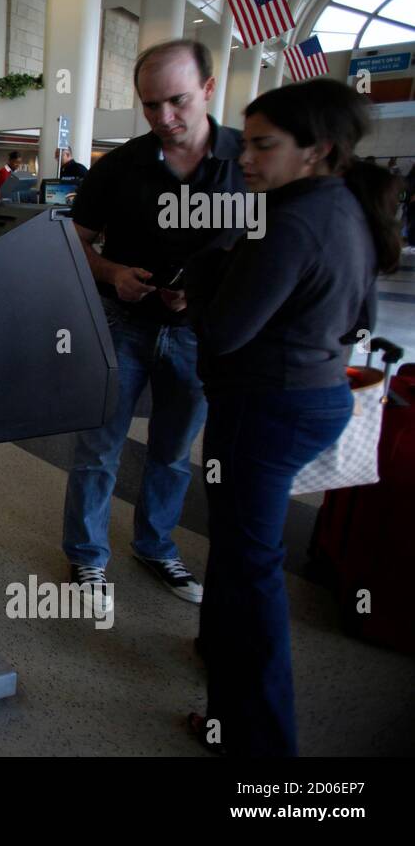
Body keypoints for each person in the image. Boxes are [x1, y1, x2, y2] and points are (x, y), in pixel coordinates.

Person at [185, 79, 399, 757]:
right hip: (316, 395)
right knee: (242, 545)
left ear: (317, 150)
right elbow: (360, 318)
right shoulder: (347, 208)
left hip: (266, 408)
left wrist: (202, 276)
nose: (246, 157)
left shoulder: (289, 218)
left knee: (251, 569)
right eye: (246, 142)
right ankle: (220, 653)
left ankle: (257, 741)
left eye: (263, 145)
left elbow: (223, 332)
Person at [60, 39, 246, 611]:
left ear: (209, 91)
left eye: (177, 101)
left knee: (171, 451)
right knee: (98, 446)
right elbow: (75, 243)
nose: (164, 118)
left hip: (199, 334)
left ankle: (154, 544)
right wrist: (113, 272)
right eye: (149, 105)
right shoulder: (120, 167)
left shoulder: (249, 162)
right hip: (125, 325)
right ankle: (87, 557)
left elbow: (270, 247)